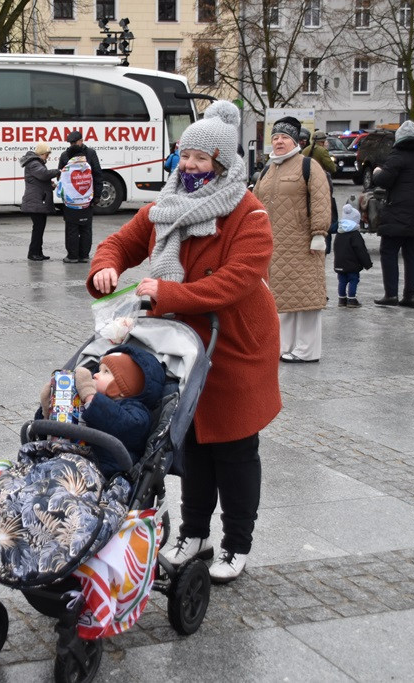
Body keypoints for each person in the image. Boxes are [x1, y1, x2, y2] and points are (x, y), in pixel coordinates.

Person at [87, 100, 281, 583]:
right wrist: (105, 268)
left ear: (222, 162)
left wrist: (170, 292)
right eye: (185, 155)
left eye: (201, 158)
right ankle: (194, 532)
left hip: (235, 346)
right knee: (189, 444)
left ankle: (237, 544)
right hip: (182, 346)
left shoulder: (248, 213)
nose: (190, 165)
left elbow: (237, 279)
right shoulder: (164, 207)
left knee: (234, 450)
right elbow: (119, 243)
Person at [253, 116, 331, 364]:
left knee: (306, 299)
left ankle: (307, 350)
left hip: (303, 242)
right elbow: (255, 202)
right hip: (274, 244)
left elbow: (320, 199)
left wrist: (319, 233)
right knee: (281, 297)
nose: (278, 141)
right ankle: (284, 345)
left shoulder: (308, 166)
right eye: (275, 137)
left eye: (284, 137)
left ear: (295, 141)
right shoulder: (268, 169)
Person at [40, 347, 165, 479]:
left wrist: (89, 396)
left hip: (102, 474)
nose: (95, 374)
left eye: (106, 372)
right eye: (99, 370)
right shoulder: (82, 400)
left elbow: (125, 425)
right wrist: (48, 409)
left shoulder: (137, 411)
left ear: (123, 387)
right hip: (64, 461)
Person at [371, 120, 414, 308]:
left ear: (399, 138)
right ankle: (410, 297)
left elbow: (385, 180)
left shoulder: (399, 154)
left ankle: (391, 295)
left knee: (389, 251)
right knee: (412, 254)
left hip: (399, 210)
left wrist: (377, 172)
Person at [58, 130, 102, 263]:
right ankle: (76, 255)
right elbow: (60, 175)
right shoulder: (65, 154)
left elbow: (98, 175)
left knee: (82, 227)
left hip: (81, 199)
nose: (72, 145)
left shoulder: (90, 153)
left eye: (74, 142)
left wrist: (97, 195)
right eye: (70, 143)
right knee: (80, 227)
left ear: (81, 141)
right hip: (78, 198)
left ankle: (80, 255)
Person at [19, 142, 60, 261]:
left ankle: (38, 252)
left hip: (37, 201)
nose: (48, 157)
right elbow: (43, 174)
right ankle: (33, 253)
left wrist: (49, 184)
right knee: (38, 228)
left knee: (39, 227)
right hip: (35, 201)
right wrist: (58, 171)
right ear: (41, 154)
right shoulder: (34, 163)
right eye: (47, 155)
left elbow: (40, 180)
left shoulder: (36, 163)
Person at [303, 130, 338, 254]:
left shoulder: (305, 150)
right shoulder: (322, 151)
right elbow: (332, 168)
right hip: (321, 183)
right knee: (325, 212)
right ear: (323, 141)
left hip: (305, 186)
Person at [333, 200, 373, 308]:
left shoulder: (339, 233)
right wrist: (367, 263)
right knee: (353, 280)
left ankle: (341, 299)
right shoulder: (355, 235)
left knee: (341, 281)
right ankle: (351, 299)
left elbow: (336, 248)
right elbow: (361, 250)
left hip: (340, 264)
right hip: (352, 265)